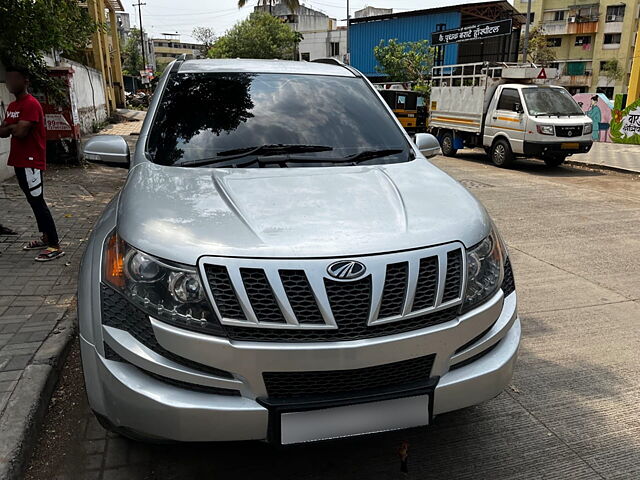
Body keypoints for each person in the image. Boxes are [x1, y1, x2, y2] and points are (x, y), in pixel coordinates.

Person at [0, 66, 64, 261]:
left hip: (31, 162)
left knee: (38, 201)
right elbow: (3, 131)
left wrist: (12, 127)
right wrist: (14, 126)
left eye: (14, 79)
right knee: (32, 201)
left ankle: (55, 245)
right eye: (8, 79)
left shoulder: (31, 104)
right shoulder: (12, 106)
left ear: (25, 81)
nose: (10, 83)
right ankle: (45, 238)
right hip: (19, 161)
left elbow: (20, 132)